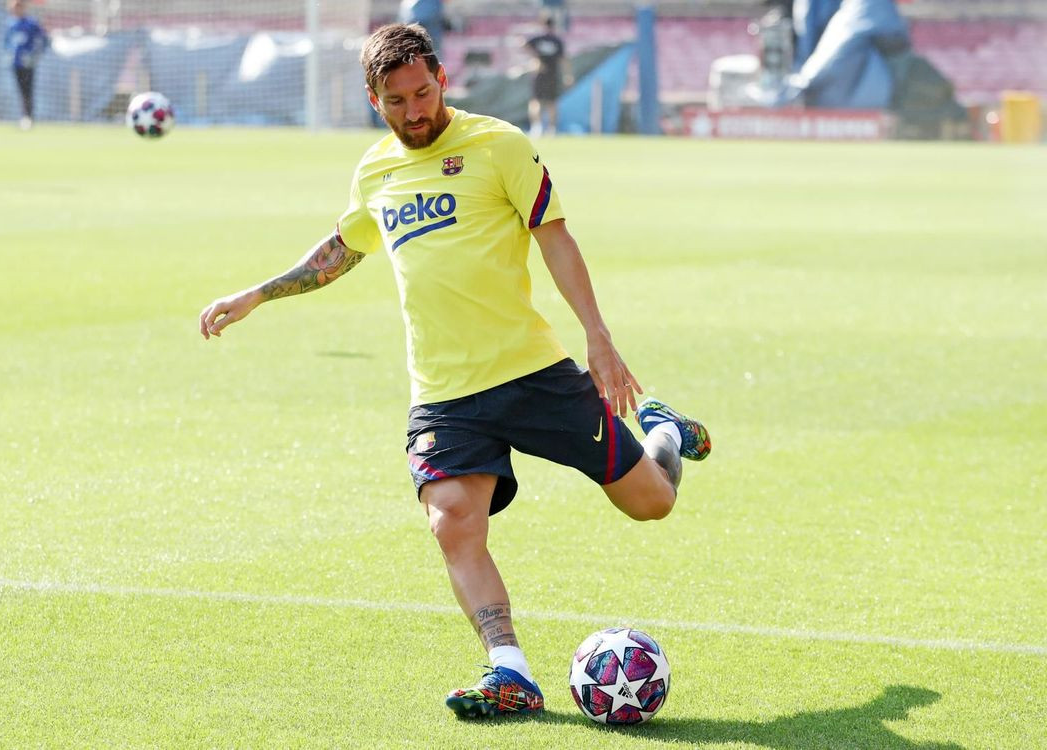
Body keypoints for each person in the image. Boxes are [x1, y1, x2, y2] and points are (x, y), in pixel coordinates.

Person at [198, 23, 710, 720]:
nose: (414, 111)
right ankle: (509, 670)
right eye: (396, 100)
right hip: (443, 393)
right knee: (452, 522)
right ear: (374, 100)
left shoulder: (498, 145)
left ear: (441, 77)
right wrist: (256, 294)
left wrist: (598, 337)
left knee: (651, 501)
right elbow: (342, 249)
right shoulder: (375, 170)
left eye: (421, 92)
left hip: (532, 372)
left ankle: (664, 434)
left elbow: (554, 237)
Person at [5, 0, 49, 130]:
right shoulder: (10, 24)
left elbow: (44, 40)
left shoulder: (31, 23)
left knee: (27, 91)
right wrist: (8, 54)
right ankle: (22, 117)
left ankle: (28, 117)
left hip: (28, 64)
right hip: (15, 64)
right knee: (19, 91)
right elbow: (7, 42)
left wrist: (34, 56)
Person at [525, 15, 572, 137]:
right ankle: (541, 127)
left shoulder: (553, 40)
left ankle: (546, 128)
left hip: (549, 74)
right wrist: (535, 59)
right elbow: (524, 45)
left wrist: (534, 58)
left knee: (547, 102)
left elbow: (563, 59)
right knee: (541, 101)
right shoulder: (544, 39)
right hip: (543, 74)